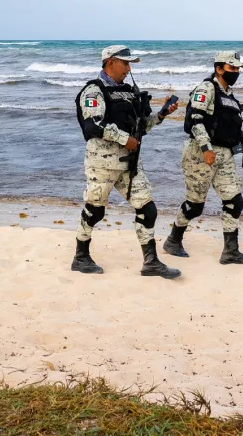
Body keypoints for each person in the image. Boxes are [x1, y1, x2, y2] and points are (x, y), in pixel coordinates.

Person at [72, 45, 181, 279]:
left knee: (147, 209)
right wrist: (125, 139)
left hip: (129, 164)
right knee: (95, 211)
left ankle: (151, 262)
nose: (129, 68)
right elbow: (93, 126)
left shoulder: (129, 93)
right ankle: (80, 257)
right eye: (125, 63)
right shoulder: (94, 91)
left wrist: (161, 115)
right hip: (103, 163)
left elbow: (141, 128)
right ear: (110, 62)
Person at [164, 51, 243, 265]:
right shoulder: (206, 89)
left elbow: (232, 125)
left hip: (224, 154)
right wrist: (206, 148)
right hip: (200, 153)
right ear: (219, 68)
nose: (235, 72)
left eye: (237, 69)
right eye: (231, 68)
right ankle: (173, 240)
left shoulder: (229, 95)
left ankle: (230, 252)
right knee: (195, 204)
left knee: (235, 201)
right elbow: (194, 120)